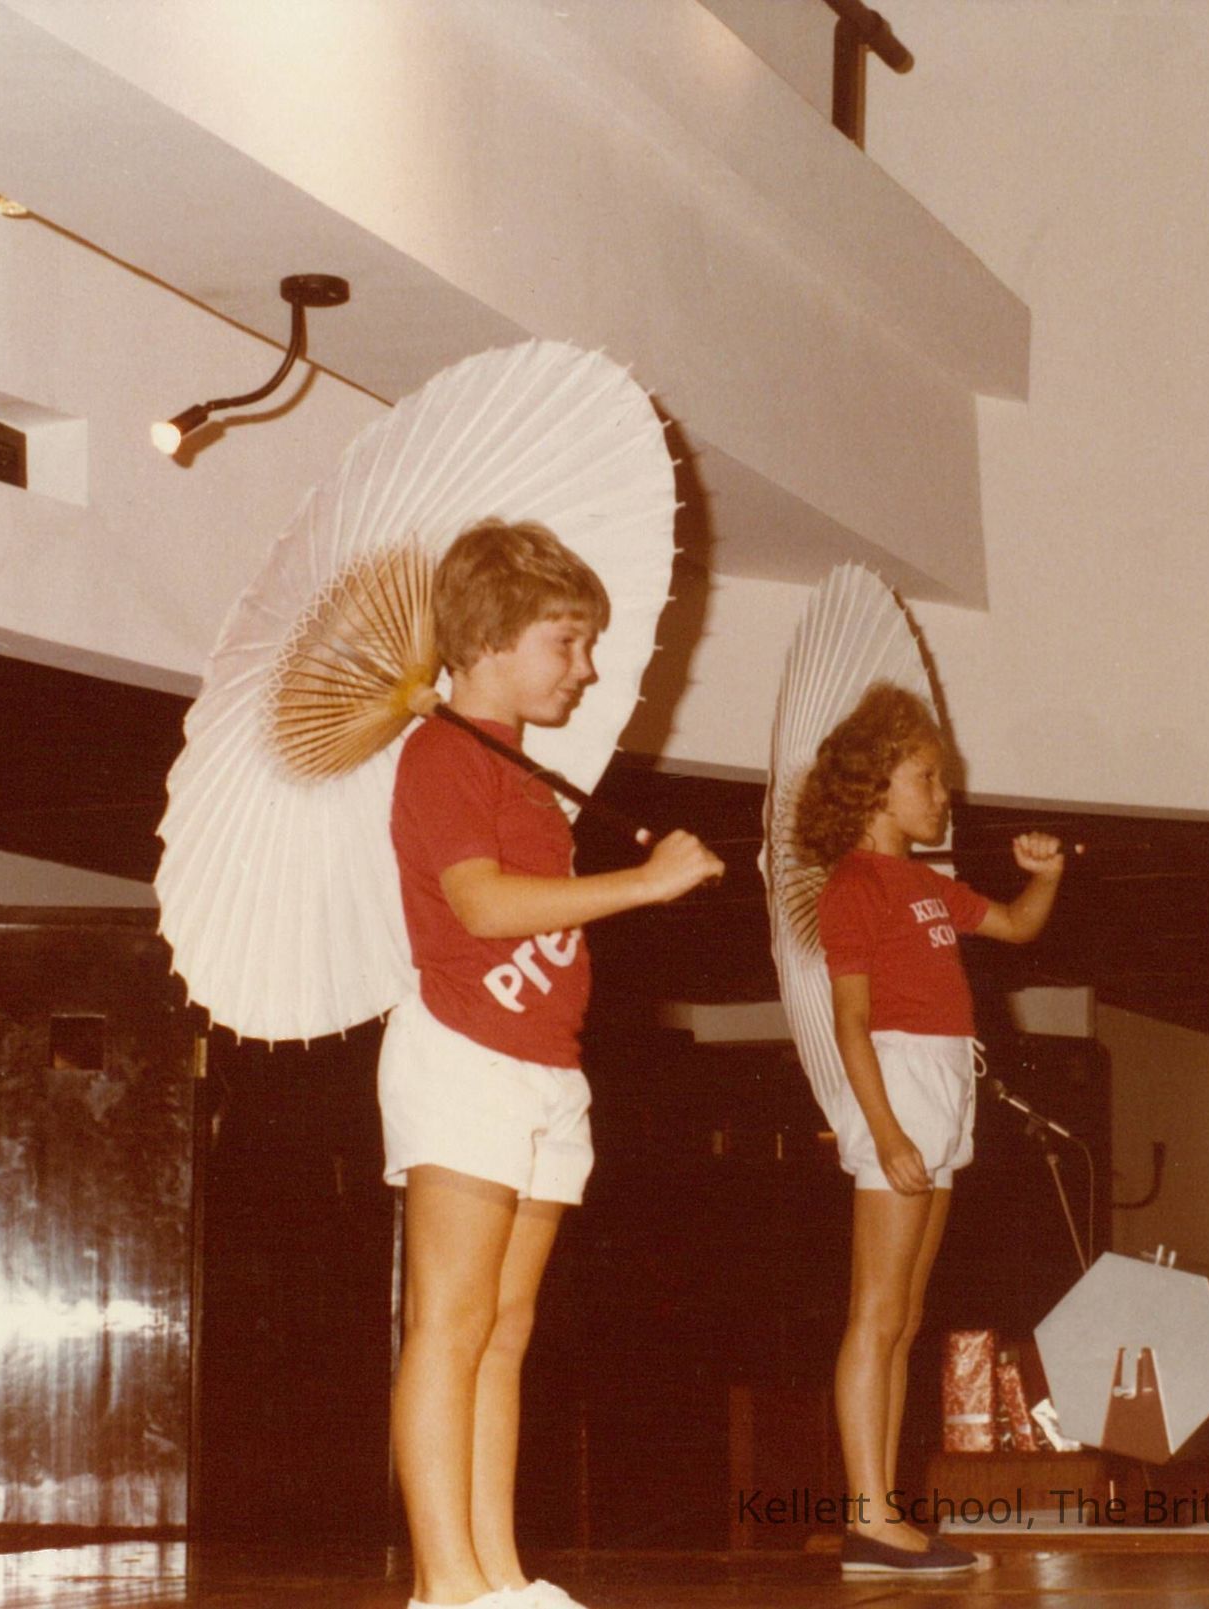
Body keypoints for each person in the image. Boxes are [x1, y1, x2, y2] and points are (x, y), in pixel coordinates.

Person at [381, 520, 723, 1609]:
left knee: (506, 1328)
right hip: (465, 1054)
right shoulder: (441, 752)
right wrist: (643, 885)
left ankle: (496, 1572)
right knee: (452, 1320)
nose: (585, 667)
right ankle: (444, 1584)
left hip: (542, 1065)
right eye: (566, 642)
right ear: (489, 639)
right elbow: (482, 907)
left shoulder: (522, 770)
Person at [794, 682, 1065, 1577]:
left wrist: (1045, 876)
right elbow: (850, 1023)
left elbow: (1018, 926)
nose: (943, 794)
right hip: (899, 1082)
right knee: (875, 1312)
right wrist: (886, 1130)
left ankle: (885, 1518)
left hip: (946, 1081)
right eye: (927, 778)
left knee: (905, 1317)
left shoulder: (928, 884)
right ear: (876, 786)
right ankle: (868, 1518)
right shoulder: (853, 886)